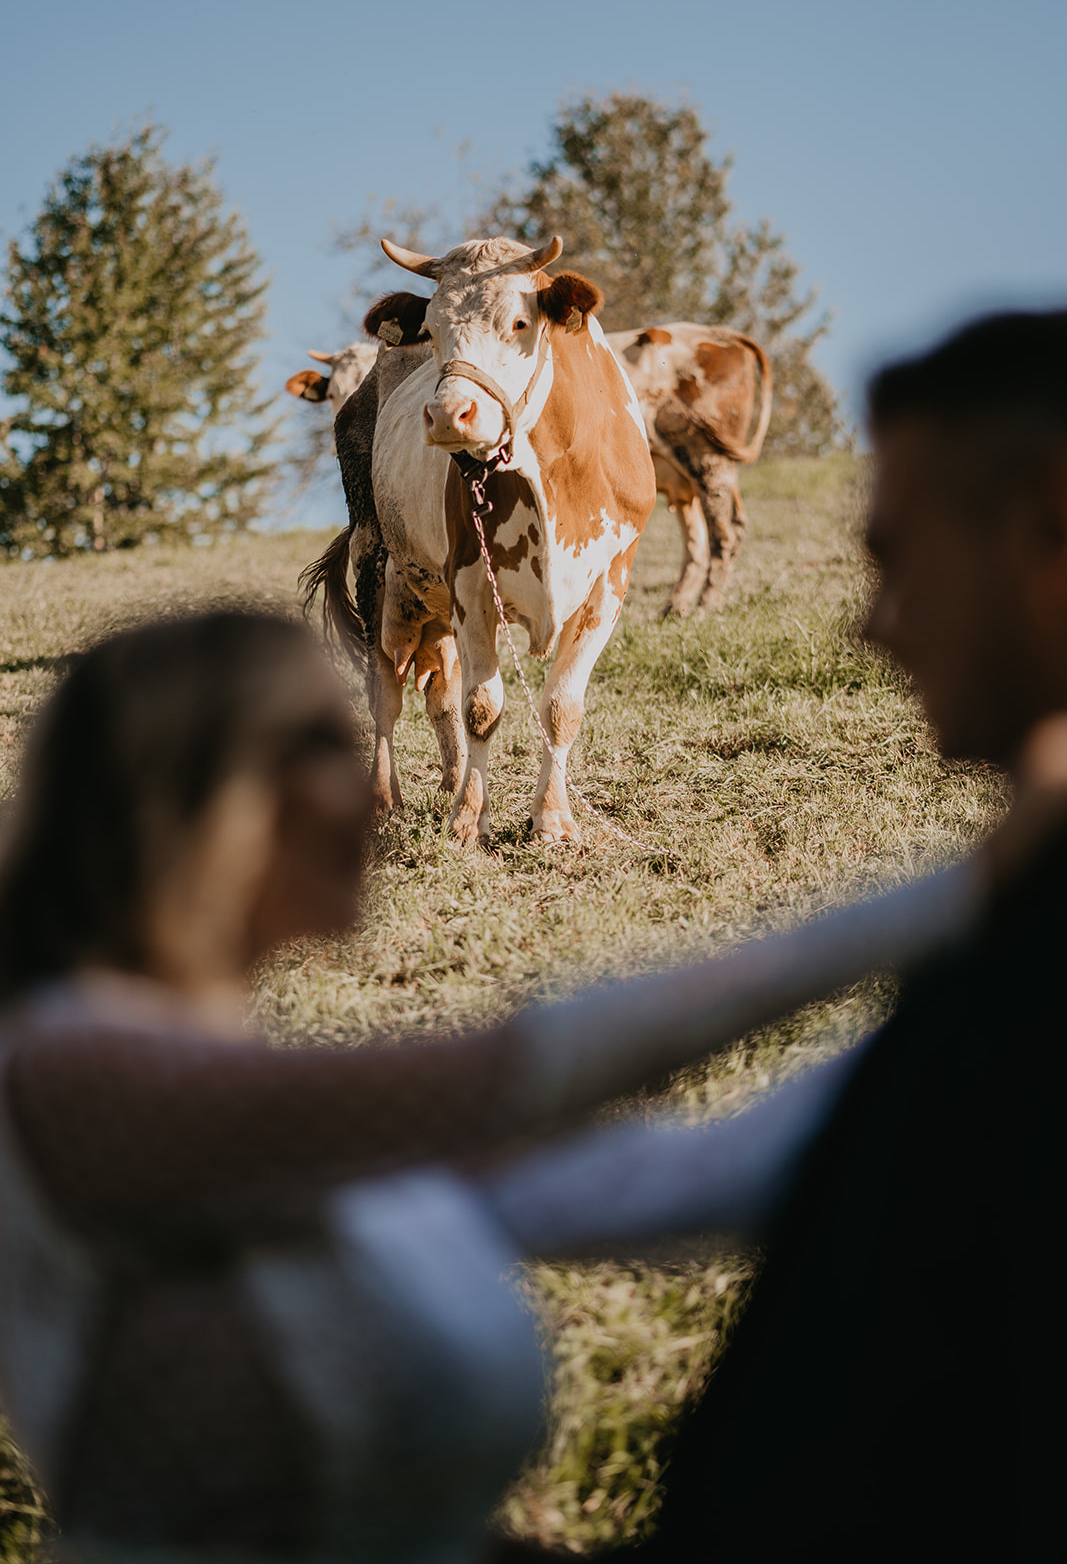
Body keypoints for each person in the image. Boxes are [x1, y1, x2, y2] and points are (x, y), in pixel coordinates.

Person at [0, 608, 992, 1563]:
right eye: (314, 743)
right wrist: (973, 883)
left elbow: (690, 1176)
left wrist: (995, 999)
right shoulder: (64, 1079)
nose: (369, 793)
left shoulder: (281, 1130)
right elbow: (528, 1071)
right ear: (181, 784)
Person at [488, 308, 1067, 1562]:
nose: (875, 625)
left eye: (896, 557)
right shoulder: (1013, 920)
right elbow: (712, 1171)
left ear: (1048, 525)